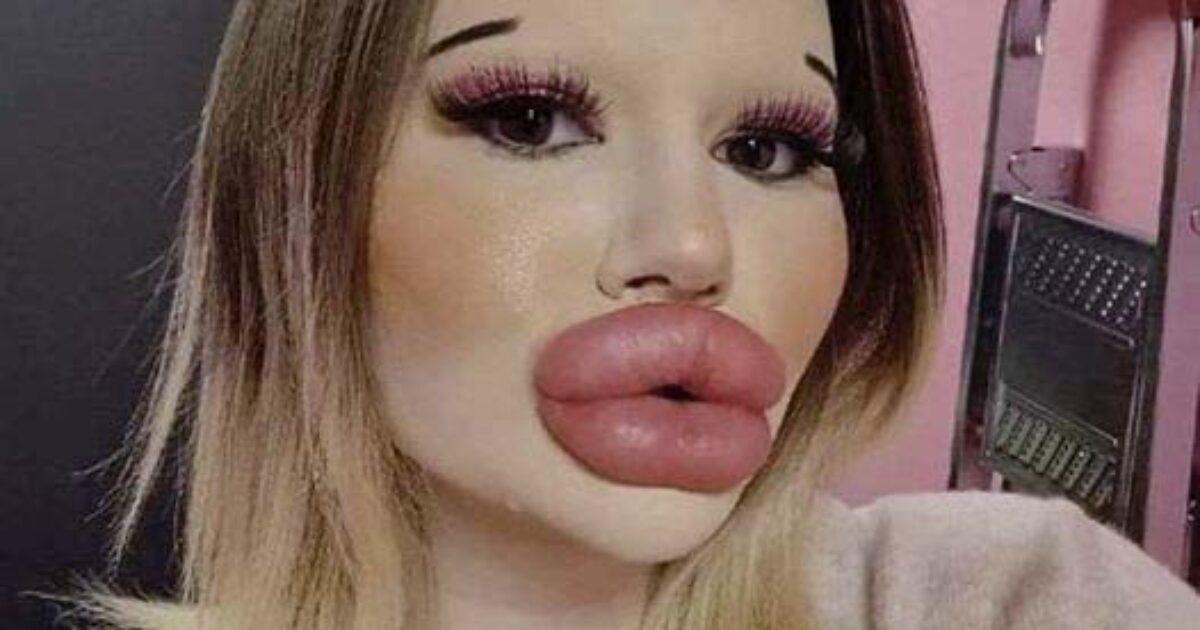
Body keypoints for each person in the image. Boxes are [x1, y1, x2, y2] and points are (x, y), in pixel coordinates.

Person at [59, 0, 1200, 628]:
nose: (693, 247)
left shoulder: (1013, 602)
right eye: (529, 120)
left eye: (769, 148)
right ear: (297, 196)